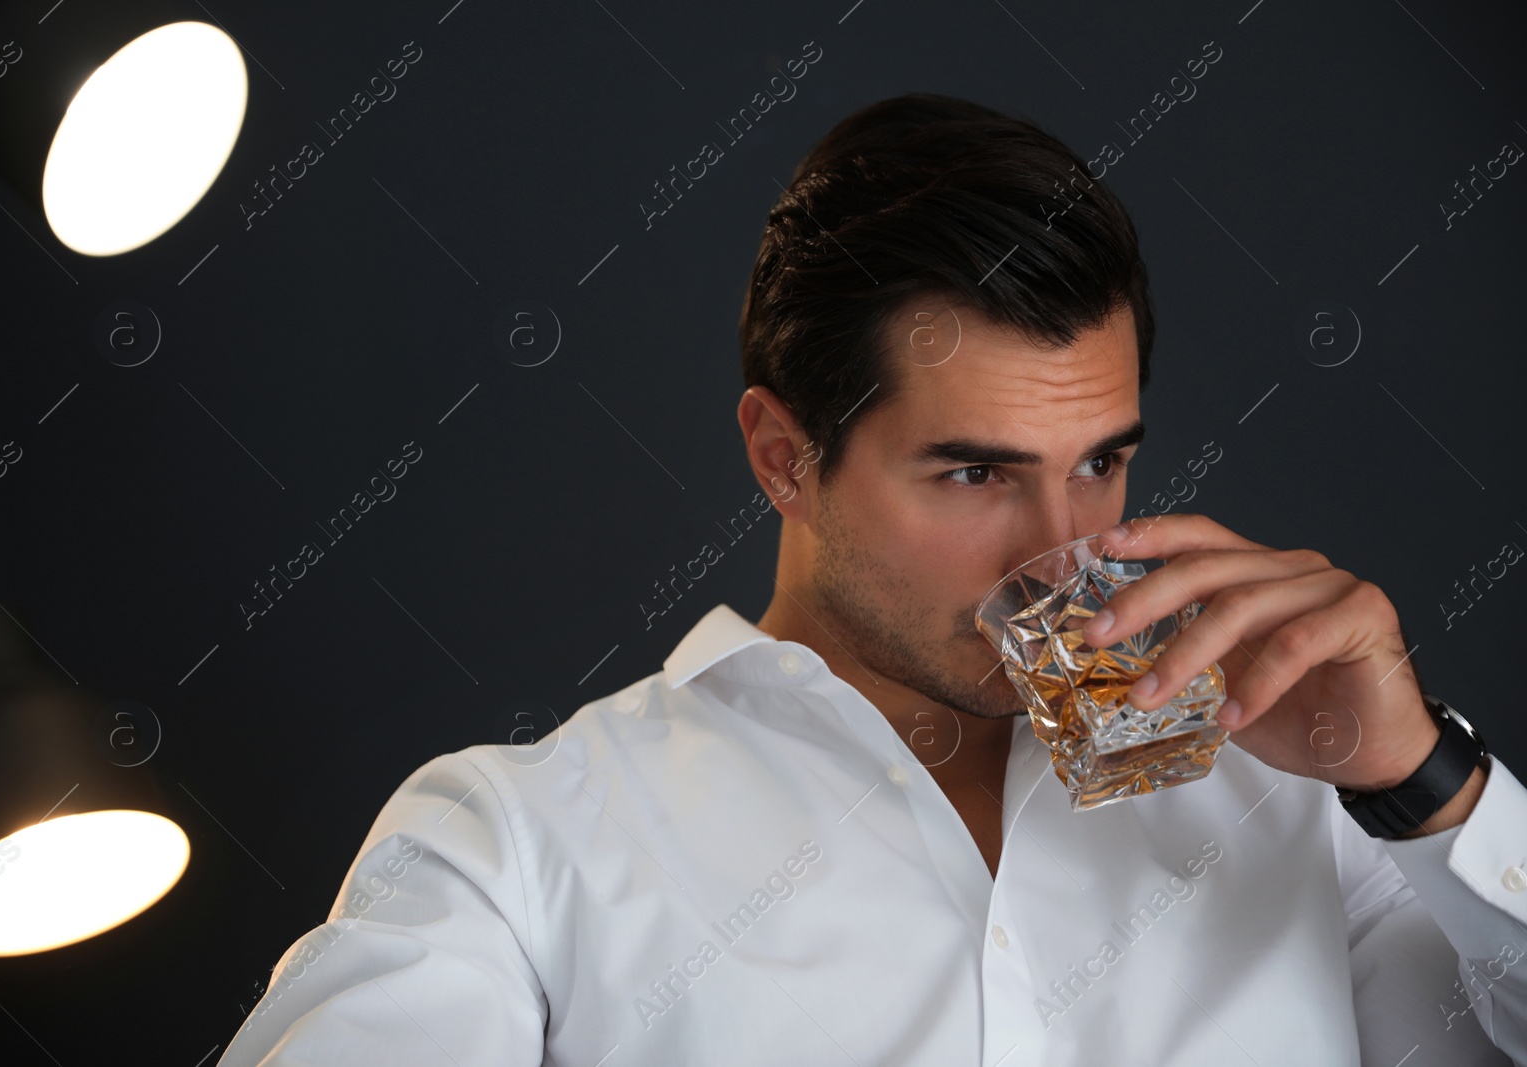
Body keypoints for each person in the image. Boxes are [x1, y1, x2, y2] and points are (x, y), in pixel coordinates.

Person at [216, 93, 1527, 1066]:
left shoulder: (1298, 810)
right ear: (785, 458)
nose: (1060, 548)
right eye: (972, 473)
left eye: (1103, 461)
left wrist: (1424, 784)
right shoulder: (522, 843)